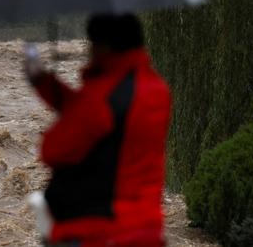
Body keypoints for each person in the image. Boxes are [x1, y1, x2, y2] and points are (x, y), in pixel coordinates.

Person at [25, 14, 172, 247]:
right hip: (146, 227)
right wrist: (45, 84)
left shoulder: (98, 98)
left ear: (104, 46)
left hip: (97, 231)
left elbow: (52, 150)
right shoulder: (156, 90)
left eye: (92, 44)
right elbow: (110, 122)